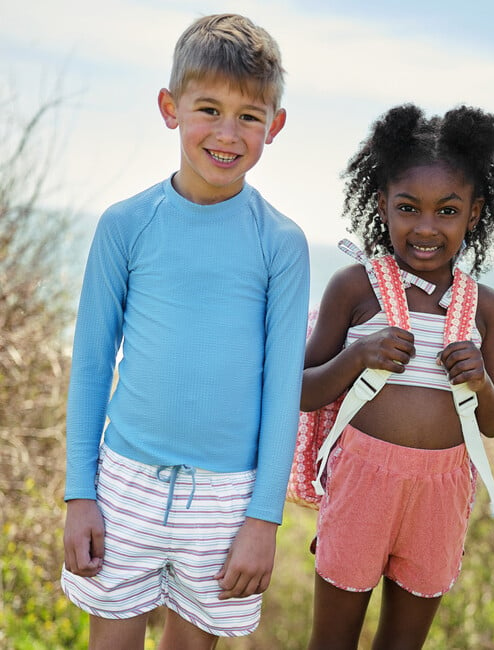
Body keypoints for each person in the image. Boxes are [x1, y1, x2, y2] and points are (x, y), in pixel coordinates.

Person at [61, 13, 309, 650]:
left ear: (274, 125)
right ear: (170, 108)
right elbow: (91, 363)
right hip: (124, 487)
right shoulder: (126, 225)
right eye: (209, 110)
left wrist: (263, 519)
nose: (228, 134)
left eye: (250, 116)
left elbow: (283, 391)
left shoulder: (281, 243)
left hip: (227, 501)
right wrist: (79, 494)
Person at [302, 104, 494, 649]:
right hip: (363, 479)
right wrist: (357, 358)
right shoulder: (354, 287)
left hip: (443, 491)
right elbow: (300, 392)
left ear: (474, 214)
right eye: (408, 208)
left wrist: (481, 383)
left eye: (447, 211)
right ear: (381, 206)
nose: (426, 227)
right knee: (332, 640)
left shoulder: (485, 307)